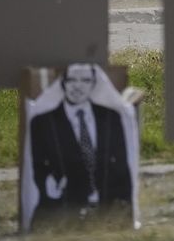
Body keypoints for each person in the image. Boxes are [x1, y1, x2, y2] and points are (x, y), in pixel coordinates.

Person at [29, 63, 132, 226]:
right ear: (63, 83)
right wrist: (49, 182)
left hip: (107, 208)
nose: (78, 86)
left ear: (93, 84)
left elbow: (122, 166)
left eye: (85, 80)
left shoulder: (110, 117)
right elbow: (38, 167)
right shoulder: (43, 123)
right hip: (64, 209)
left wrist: (127, 207)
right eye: (72, 80)